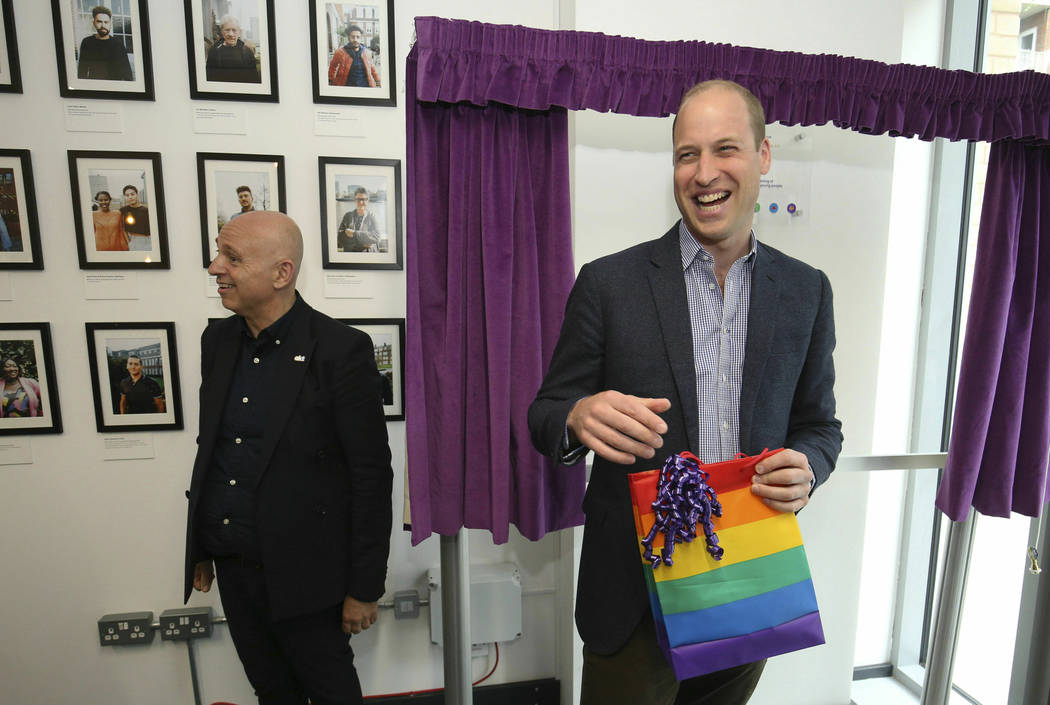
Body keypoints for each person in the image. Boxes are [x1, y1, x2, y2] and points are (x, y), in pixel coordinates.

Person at [528, 80, 842, 705]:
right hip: (634, 595)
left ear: (763, 155)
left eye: (725, 149)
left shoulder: (806, 291)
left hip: (747, 582)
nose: (704, 174)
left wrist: (809, 465)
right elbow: (546, 415)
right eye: (686, 154)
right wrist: (578, 416)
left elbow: (820, 425)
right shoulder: (608, 284)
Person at [183, 211, 393, 704]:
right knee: (271, 692)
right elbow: (216, 449)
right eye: (218, 253)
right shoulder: (217, 341)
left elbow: (370, 475)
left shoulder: (340, 350)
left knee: (332, 693)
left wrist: (365, 587)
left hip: (310, 575)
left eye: (232, 258)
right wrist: (202, 546)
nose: (215, 267)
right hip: (236, 566)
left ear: (282, 273)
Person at [76, 5, 132, 81]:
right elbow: (82, 72)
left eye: (106, 22)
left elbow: (127, 74)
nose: (103, 25)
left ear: (110, 24)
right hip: (95, 85)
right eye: (99, 22)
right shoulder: (87, 42)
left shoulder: (118, 44)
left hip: (115, 85)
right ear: (94, 23)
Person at [205, 15, 261, 84]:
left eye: (234, 30)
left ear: (239, 32)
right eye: (227, 30)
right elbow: (209, 78)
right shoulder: (214, 51)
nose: (231, 34)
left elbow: (254, 78)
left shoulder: (247, 52)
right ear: (222, 31)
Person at [337, 188, 380, 252]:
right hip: (351, 255)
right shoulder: (348, 216)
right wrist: (363, 243)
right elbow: (340, 237)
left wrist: (354, 234)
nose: (361, 202)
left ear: (368, 201)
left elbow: (377, 237)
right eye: (358, 199)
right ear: (355, 200)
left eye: (363, 199)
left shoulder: (372, 217)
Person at [120, 185, 151, 252]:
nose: (130, 197)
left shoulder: (146, 210)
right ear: (125, 197)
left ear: (137, 194)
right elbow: (122, 228)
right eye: (127, 195)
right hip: (133, 241)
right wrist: (129, 242)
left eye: (132, 194)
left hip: (148, 241)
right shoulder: (123, 210)